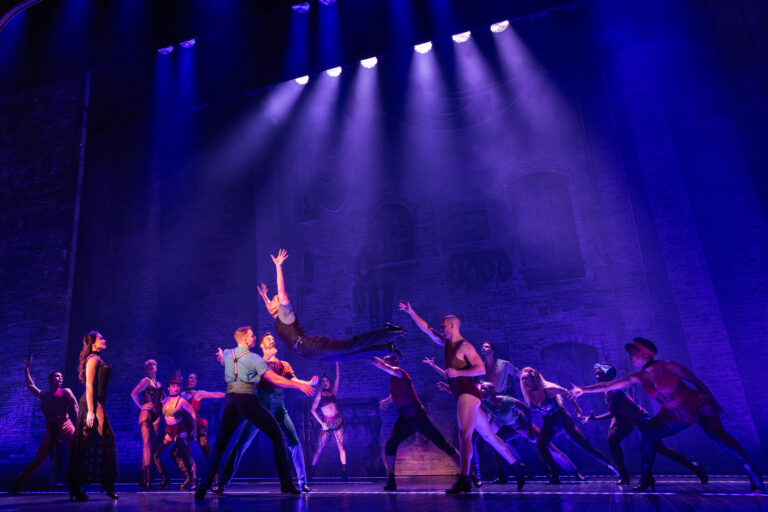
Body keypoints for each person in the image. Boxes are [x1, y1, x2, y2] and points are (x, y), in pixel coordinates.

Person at [570, 338, 764, 493]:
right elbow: (607, 386)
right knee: (648, 437)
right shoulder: (638, 377)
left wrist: (711, 401)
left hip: (694, 402)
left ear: (644, 353)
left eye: (633, 353)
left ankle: (752, 472)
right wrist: (583, 390)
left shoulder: (669, 366)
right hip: (673, 414)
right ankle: (647, 479)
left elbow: (694, 380)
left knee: (718, 437)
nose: (630, 356)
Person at [400, 301, 527, 493]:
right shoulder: (446, 343)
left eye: (443, 326)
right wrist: (411, 312)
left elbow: (480, 368)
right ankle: (518, 466)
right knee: (488, 435)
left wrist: (458, 374)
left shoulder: (464, 346)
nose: (441, 329)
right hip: (463, 393)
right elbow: (427, 329)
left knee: (464, 435)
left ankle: (465, 479)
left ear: (452, 326)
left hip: (469, 393)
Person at [194, 326, 315, 499]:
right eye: (252, 336)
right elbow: (274, 378)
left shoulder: (229, 353)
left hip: (234, 400)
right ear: (245, 340)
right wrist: (298, 385)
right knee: (275, 437)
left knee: (220, 444)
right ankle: (286, 483)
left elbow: (224, 359)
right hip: (250, 401)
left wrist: (221, 355)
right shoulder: (254, 359)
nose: (254, 337)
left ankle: (203, 486)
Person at [261, 249, 405, 362]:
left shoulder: (285, 313)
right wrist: (264, 297)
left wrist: (278, 267)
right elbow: (269, 307)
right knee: (348, 356)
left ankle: (387, 331)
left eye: (274, 300)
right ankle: (387, 348)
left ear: (281, 304)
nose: (271, 303)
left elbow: (281, 291)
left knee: (350, 345)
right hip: (305, 352)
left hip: (309, 345)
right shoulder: (277, 318)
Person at [580, 363, 707, 486]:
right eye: (596, 374)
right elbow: (618, 412)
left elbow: (611, 412)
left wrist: (594, 418)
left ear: (609, 375)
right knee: (612, 440)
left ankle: (694, 467)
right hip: (626, 420)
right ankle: (624, 475)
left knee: (660, 448)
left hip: (640, 419)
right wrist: (614, 422)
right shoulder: (607, 390)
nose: (597, 377)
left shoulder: (615, 391)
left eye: (600, 374)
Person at [373, 355, 461, 492]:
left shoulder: (400, 372)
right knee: (391, 444)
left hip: (418, 417)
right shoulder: (394, 379)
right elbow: (395, 393)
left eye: (387, 361)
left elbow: (382, 366)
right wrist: (387, 400)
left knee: (443, 444)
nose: (385, 363)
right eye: (385, 361)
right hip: (404, 419)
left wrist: (367, 354)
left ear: (394, 362)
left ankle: (467, 473)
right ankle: (391, 480)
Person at [519, 366, 617, 484]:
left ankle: (615, 467)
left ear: (535, 378)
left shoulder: (548, 389)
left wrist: (576, 407)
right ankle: (555, 474)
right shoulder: (528, 393)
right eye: (523, 379)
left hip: (563, 420)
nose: (525, 382)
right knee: (541, 445)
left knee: (586, 446)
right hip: (549, 422)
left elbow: (567, 392)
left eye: (527, 379)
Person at [471, 380, 582, 482]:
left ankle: (575, 473)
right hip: (509, 429)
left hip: (522, 426)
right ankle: (502, 476)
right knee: (497, 444)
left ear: (493, 390)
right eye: (481, 389)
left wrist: (529, 429)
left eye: (485, 388)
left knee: (550, 449)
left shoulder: (506, 400)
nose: (482, 391)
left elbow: (525, 409)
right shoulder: (484, 403)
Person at [11, 356, 78, 492]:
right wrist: (26, 368)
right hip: (51, 429)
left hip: (66, 425)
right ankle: (18, 484)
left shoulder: (66, 391)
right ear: (50, 380)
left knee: (78, 451)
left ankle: (78, 485)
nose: (60, 379)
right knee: (39, 459)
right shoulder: (44, 395)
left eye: (61, 377)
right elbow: (30, 385)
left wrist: (79, 425)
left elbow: (75, 406)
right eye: (57, 377)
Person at [67, 331, 118, 501]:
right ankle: (78, 487)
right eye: (101, 338)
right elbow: (89, 385)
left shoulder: (97, 359)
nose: (104, 340)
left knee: (96, 441)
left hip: (97, 403)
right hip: (92, 403)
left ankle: (105, 485)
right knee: (91, 441)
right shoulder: (93, 359)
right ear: (94, 343)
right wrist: (90, 410)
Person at [472, 342, 519, 483]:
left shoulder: (504, 365)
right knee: (490, 439)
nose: (483, 348)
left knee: (513, 439)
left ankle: (522, 469)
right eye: (482, 347)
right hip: (488, 406)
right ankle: (489, 474)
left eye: (486, 346)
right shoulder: (481, 368)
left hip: (502, 404)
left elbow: (520, 375)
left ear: (493, 349)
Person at [152, 376, 197, 489]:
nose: (176, 388)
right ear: (169, 388)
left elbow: (193, 414)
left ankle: (193, 479)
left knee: (187, 455)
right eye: (173, 386)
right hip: (168, 430)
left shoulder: (181, 401)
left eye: (177, 386)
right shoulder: (165, 399)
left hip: (179, 429)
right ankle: (165, 479)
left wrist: (195, 431)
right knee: (155, 454)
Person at [180, 372, 224, 488]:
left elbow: (214, 394)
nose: (193, 379)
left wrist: (228, 394)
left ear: (196, 381)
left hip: (197, 426)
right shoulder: (181, 394)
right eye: (190, 377)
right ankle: (191, 477)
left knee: (206, 452)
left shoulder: (198, 394)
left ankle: (215, 480)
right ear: (187, 380)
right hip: (185, 427)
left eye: (195, 378)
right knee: (176, 452)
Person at [130, 359, 165, 489]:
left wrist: (163, 401)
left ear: (156, 367)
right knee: (146, 444)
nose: (151, 366)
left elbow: (164, 398)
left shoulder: (159, 383)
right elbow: (133, 393)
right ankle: (147, 479)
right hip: (147, 414)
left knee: (151, 447)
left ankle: (143, 478)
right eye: (148, 365)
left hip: (157, 415)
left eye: (153, 364)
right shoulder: (145, 380)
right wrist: (141, 406)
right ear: (146, 369)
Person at [309, 363, 348, 481]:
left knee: (341, 446)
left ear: (329, 383)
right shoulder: (319, 394)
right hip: (326, 424)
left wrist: (336, 363)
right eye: (323, 381)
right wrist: (321, 423)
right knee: (319, 449)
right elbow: (312, 410)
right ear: (321, 384)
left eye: (326, 381)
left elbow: (337, 377)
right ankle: (311, 473)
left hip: (337, 422)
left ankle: (344, 472)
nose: (325, 382)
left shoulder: (333, 393)